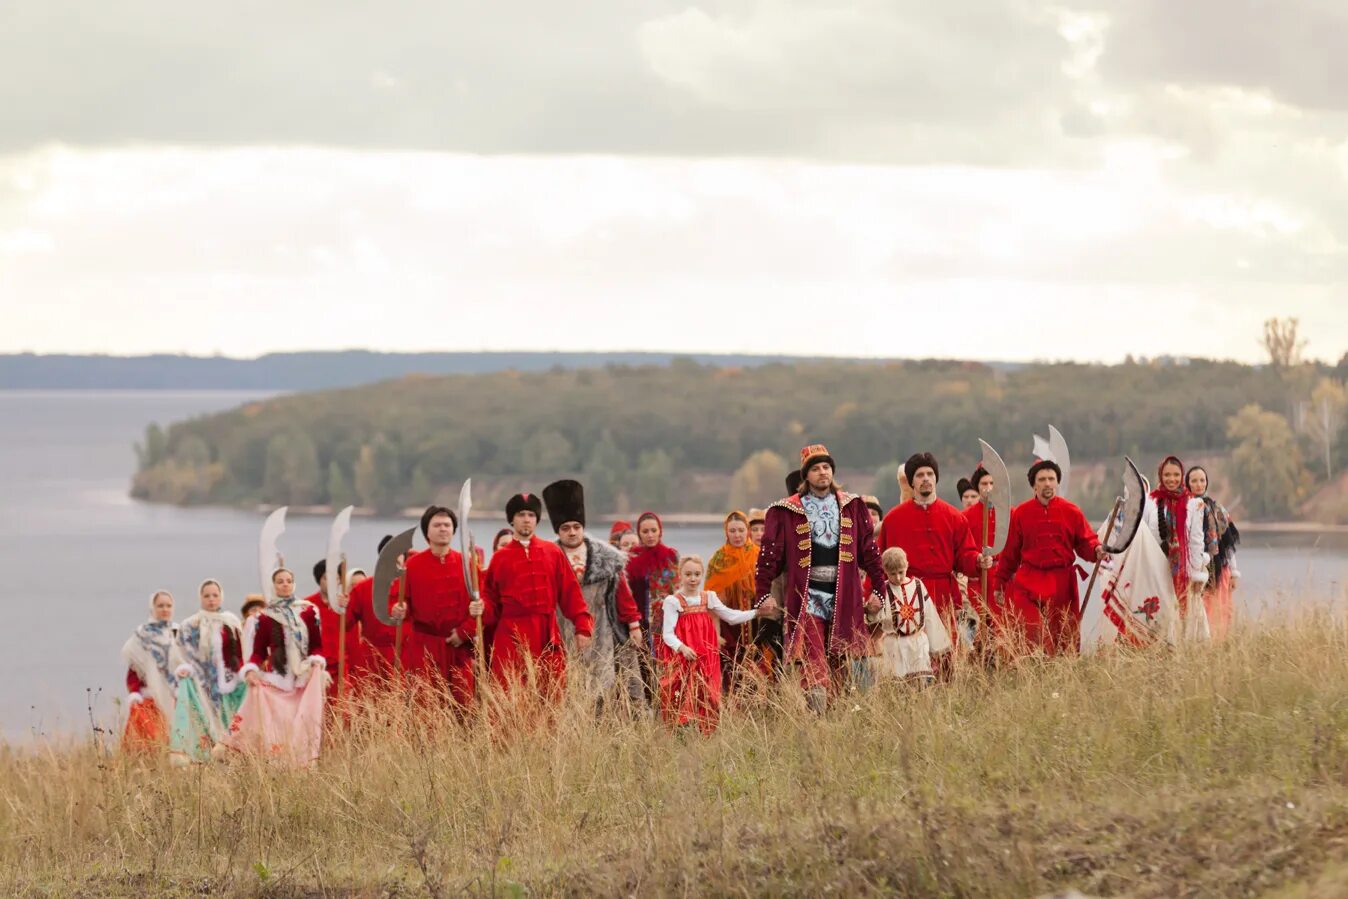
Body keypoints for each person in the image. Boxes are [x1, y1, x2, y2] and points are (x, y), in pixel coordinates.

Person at [754, 444, 887, 712]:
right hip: (807, 596)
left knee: (847, 655)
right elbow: (769, 556)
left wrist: (879, 589)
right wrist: (763, 593)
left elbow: (869, 552)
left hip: (845, 594)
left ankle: (850, 716)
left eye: (826, 467)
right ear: (806, 475)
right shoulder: (787, 510)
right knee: (812, 658)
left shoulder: (852, 506)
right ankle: (817, 716)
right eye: (815, 468)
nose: (822, 472)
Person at [476, 492, 594, 701]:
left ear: (537, 519)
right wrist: (482, 608)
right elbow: (491, 601)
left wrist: (582, 626)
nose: (526, 519)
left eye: (531, 514)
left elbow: (570, 592)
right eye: (521, 514)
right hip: (511, 636)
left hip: (546, 634)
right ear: (512, 519)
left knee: (550, 694)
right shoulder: (499, 558)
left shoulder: (553, 552)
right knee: (510, 696)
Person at [543, 480, 644, 713]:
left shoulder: (607, 558)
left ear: (582, 527)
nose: (571, 532)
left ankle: (602, 730)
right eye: (565, 528)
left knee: (604, 683)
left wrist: (634, 623)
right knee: (567, 684)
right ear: (558, 530)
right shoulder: (547, 557)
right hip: (562, 629)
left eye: (576, 527)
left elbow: (622, 594)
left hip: (601, 629)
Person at [995, 461, 1107, 655]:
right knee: (1033, 636)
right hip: (1029, 581)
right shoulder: (1021, 513)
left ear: (1057, 483)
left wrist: (1096, 550)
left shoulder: (1072, 511)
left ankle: (1061, 680)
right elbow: (1010, 553)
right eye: (1042, 479)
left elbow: (1086, 541)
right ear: (1034, 485)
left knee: (1064, 639)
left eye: (1051, 479)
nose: (1047, 483)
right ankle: (1034, 674)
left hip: (1062, 582)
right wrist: (999, 582)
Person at [659, 555, 773, 733]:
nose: (693, 578)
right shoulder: (673, 601)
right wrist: (682, 647)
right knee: (683, 690)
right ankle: (681, 729)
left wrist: (756, 613)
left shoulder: (708, 597)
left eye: (697, 574)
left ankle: (706, 731)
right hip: (685, 653)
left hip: (707, 653)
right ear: (680, 575)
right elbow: (667, 634)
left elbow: (731, 616)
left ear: (702, 575)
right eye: (688, 574)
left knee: (708, 691)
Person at [224, 568, 326, 765]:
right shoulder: (264, 617)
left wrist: (316, 661)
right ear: (273, 586)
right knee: (278, 732)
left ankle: (302, 766)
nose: (285, 584)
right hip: (276, 684)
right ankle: (277, 767)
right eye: (280, 581)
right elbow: (258, 651)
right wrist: (251, 670)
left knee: (302, 727)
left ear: (294, 584)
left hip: (303, 682)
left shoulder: (308, 611)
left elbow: (317, 645)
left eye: (289, 580)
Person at [878, 453, 987, 634]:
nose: (926, 478)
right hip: (906, 596)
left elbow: (964, 556)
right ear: (912, 482)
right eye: (920, 475)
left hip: (944, 595)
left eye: (930, 474)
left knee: (946, 655)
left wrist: (977, 561)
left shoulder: (954, 517)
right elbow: (880, 563)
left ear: (936, 478)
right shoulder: (893, 519)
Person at [392, 505, 478, 708]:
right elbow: (398, 600)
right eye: (437, 525)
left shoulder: (466, 564)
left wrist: (464, 633)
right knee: (426, 705)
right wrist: (398, 609)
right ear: (427, 532)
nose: (443, 529)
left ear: (454, 530)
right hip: (425, 648)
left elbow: (479, 606)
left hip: (458, 647)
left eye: (447, 525)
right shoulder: (412, 565)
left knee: (463, 705)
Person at [170, 579, 246, 764]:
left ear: (221, 597)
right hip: (201, 683)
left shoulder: (231, 622)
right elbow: (180, 653)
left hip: (229, 684)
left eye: (215, 595)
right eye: (207, 596)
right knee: (205, 721)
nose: (211, 599)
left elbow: (241, 650)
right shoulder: (191, 625)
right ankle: (205, 761)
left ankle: (231, 759)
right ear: (200, 598)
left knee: (230, 722)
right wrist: (186, 669)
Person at [865, 547, 951, 685]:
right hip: (894, 646)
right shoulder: (883, 590)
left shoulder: (918, 585)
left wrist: (937, 647)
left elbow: (930, 615)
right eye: (892, 574)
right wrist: (872, 611)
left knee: (921, 684)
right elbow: (875, 620)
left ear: (907, 566)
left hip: (918, 644)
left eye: (901, 572)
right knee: (898, 687)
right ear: (885, 571)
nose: (898, 577)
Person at [1144, 455, 1209, 633]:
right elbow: (1144, 536)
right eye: (1167, 475)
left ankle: (1182, 654)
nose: (1171, 479)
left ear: (1182, 476)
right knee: (1159, 615)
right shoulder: (1150, 502)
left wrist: (1195, 574)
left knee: (1183, 617)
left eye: (1176, 475)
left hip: (1183, 571)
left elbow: (1196, 541)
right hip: (1157, 569)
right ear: (1160, 476)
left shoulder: (1194, 504)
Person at [704, 510, 760, 690]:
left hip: (756, 618)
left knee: (759, 661)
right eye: (732, 531)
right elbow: (710, 597)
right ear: (726, 532)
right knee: (730, 662)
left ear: (747, 531)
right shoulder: (718, 559)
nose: (737, 535)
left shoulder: (758, 555)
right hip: (729, 621)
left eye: (741, 530)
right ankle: (731, 704)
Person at [121, 590, 182, 752]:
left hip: (176, 697)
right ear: (152, 608)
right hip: (151, 699)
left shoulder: (179, 632)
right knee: (153, 743)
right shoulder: (143, 634)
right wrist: (135, 693)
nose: (165, 609)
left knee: (178, 743)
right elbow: (134, 669)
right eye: (160, 605)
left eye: (168, 606)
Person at [1186, 465, 1241, 640]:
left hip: (1218, 570)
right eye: (1194, 480)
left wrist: (1233, 572)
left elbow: (1227, 544)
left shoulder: (1217, 509)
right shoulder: (1184, 509)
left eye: (1202, 480)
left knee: (1219, 611)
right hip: (1193, 569)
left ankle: (1216, 647)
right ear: (1187, 483)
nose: (1198, 484)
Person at [345, 534, 407, 682]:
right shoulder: (363, 588)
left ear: (404, 560)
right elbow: (345, 623)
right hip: (372, 658)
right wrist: (340, 607)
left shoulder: (413, 586)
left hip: (405, 656)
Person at [307, 558, 360, 700]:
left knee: (341, 710)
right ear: (319, 580)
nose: (331, 582)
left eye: (335, 578)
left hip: (341, 666)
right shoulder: (308, 605)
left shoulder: (344, 605)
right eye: (326, 578)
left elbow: (353, 639)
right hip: (317, 667)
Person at [627, 512, 679, 649]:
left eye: (653, 530)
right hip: (639, 622)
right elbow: (627, 593)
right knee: (644, 664)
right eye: (645, 531)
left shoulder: (670, 556)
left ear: (660, 531)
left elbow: (678, 589)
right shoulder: (631, 558)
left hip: (667, 621)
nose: (650, 535)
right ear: (639, 534)